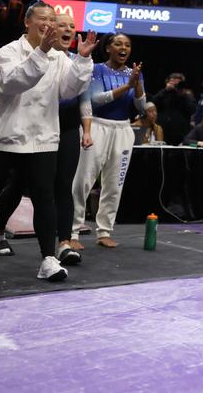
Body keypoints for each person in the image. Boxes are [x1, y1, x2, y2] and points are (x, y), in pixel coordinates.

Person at [0, 6, 96, 277]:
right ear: (27, 23)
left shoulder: (59, 59)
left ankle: (48, 259)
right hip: (4, 137)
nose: (49, 24)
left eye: (52, 20)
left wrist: (82, 61)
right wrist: (41, 54)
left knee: (45, 198)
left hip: (43, 138)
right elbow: (11, 83)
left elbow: (69, 90)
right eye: (43, 19)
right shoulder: (8, 52)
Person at [72, 33, 146, 249]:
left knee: (114, 183)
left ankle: (104, 231)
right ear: (108, 48)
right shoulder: (96, 69)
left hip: (123, 129)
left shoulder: (135, 74)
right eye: (118, 44)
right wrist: (127, 86)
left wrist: (137, 84)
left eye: (127, 45)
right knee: (83, 180)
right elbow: (95, 100)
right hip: (96, 126)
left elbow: (142, 108)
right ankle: (72, 231)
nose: (123, 48)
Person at [151, 73, 193, 146]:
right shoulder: (163, 93)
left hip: (180, 133)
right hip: (163, 131)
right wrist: (165, 90)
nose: (175, 86)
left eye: (178, 84)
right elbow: (152, 103)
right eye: (173, 83)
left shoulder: (186, 95)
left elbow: (192, 109)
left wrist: (182, 95)